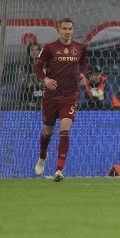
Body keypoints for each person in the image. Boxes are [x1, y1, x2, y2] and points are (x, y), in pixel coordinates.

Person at [33, 19, 88, 181]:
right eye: (64, 29)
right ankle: (42, 156)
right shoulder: (49, 47)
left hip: (70, 95)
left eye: (69, 29)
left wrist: (82, 73)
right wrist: (46, 80)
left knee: (65, 129)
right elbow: (37, 66)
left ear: (73, 30)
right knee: (48, 131)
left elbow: (84, 63)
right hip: (51, 97)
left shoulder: (80, 47)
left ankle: (59, 170)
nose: (67, 31)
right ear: (58, 30)